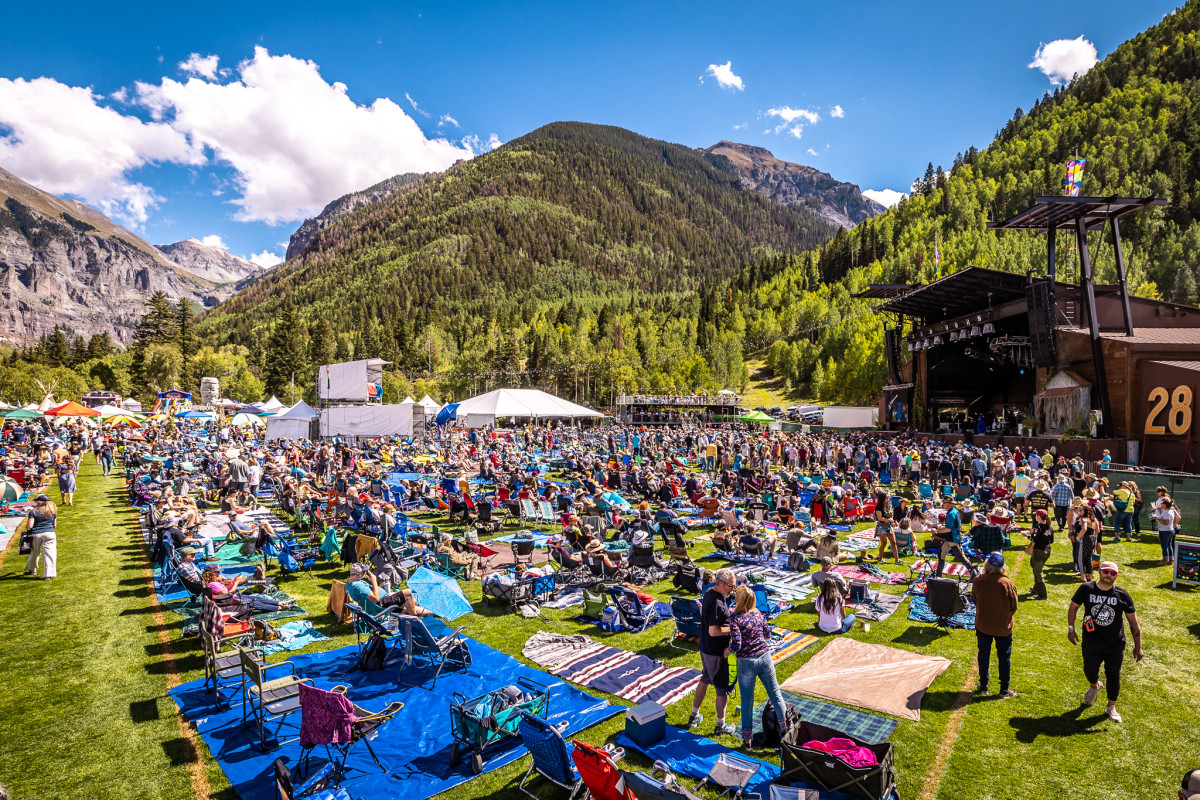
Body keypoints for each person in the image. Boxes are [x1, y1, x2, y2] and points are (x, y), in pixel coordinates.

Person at [1067, 561, 1143, 723]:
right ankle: (1095, 685)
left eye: (1112, 573)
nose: (1108, 575)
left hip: (1115, 643)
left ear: (1116, 575)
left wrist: (1138, 647)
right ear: (1099, 571)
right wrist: (1071, 629)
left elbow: (1133, 623)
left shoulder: (1122, 595)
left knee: (1113, 675)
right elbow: (1073, 608)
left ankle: (1111, 707)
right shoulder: (1086, 589)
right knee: (1089, 669)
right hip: (1091, 641)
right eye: (1106, 572)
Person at [727, 584, 789, 749]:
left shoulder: (734, 618)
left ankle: (747, 741)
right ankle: (786, 736)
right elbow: (768, 633)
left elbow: (737, 644)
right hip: (765, 657)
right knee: (776, 696)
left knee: (747, 702)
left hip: (746, 662)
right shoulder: (758, 614)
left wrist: (727, 651)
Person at [688, 567, 736, 737]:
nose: (733, 589)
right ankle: (720, 726)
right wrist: (731, 628)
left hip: (705, 647)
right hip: (714, 650)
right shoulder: (716, 602)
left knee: (705, 678)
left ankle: (694, 716)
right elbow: (714, 631)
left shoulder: (710, 592)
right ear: (720, 583)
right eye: (731, 586)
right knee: (721, 688)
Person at [972, 552, 1019, 698]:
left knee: (983, 654)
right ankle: (1004, 689)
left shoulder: (978, 580)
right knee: (1004, 657)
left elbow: (975, 599)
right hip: (1002, 626)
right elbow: (1014, 606)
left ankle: (983, 685)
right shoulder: (1007, 583)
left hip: (983, 624)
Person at [20, 494, 58, 579]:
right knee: (50, 554)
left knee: (35, 552)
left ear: (39, 502)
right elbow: (54, 525)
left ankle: (32, 569)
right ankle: (48, 574)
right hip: (50, 533)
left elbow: (30, 526)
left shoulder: (33, 511)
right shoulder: (52, 510)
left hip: (36, 534)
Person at [1025, 509, 1054, 600]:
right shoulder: (1050, 527)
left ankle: (1043, 595)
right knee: (1036, 567)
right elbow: (1051, 541)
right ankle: (1036, 588)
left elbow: (1034, 539)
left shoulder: (1038, 527)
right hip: (1047, 551)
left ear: (1039, 517)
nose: (1034, 516)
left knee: (1038, 573)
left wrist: (1026, 535)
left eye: (1036, 515)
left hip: (1039, 551)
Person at [1154, 498, 1180, 567]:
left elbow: (1166, 522)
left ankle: (1165, 561)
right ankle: (1171, 560)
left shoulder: (1166, 512)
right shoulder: (1170, 511)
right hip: (1170, 530)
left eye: (1162, 503)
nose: (1161, 504)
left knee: (1164, 546)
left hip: (1165, 531)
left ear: (1165, 505)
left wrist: (1157, 519)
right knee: (1169, 546)